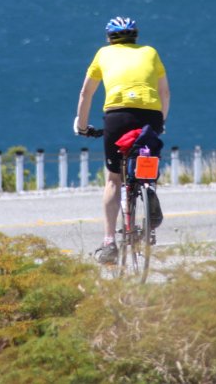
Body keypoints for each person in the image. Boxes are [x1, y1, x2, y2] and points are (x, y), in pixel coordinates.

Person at [74, 16, 170, 264]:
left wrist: (82, 126)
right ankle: (149, 191)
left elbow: (86, 93)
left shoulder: (103, 54)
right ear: (135, 36)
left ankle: (109, 243)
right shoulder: (151, 52)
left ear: (109, 38)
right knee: (145, 159)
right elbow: (164, 92)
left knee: (114, 178)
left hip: (118, 117)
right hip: (151, 116)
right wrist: (162, 122)